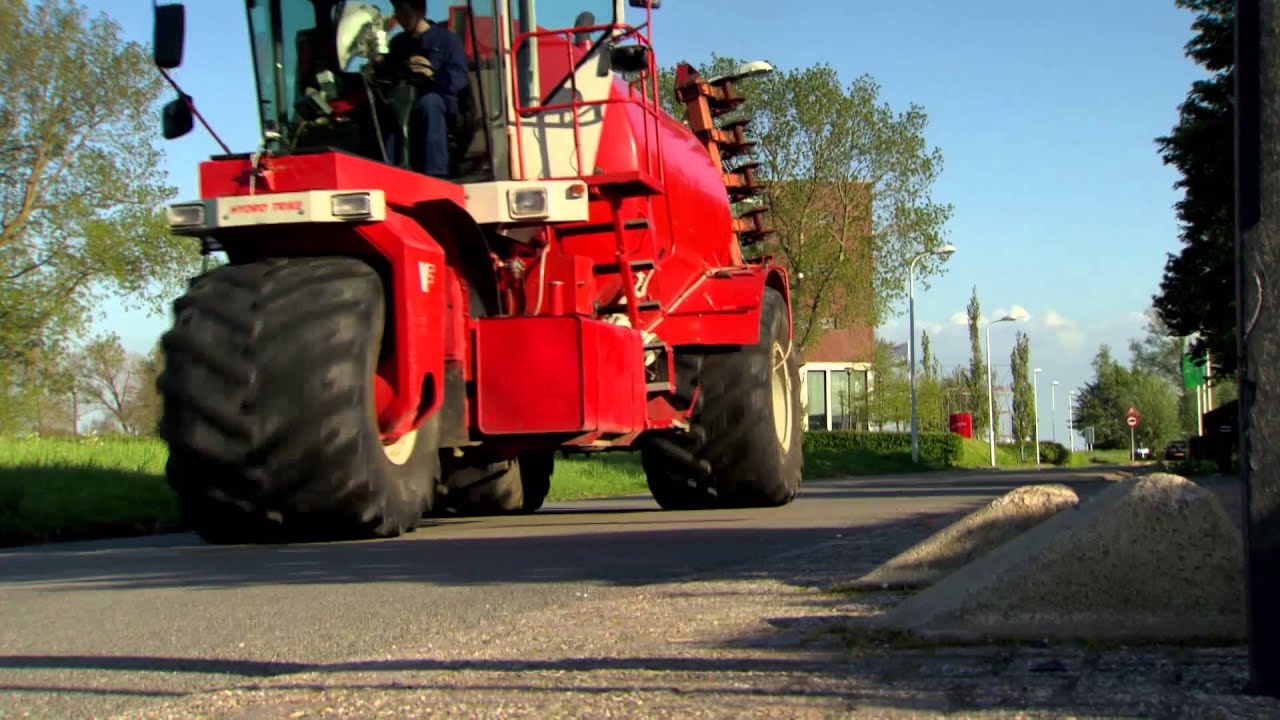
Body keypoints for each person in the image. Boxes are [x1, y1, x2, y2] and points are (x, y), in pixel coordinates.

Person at [376, 0, 469, 177]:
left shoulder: (447, 40)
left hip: (440, 100)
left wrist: (432, 74)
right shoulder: (398, 44)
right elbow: (386, 75)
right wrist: (378, 63)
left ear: (417, 11)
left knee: (429, 102)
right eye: (397, 12)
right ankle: (387, 169)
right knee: (386, 108)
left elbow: (459, 78)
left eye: (402, 12)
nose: (399, 18)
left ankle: (436, 172)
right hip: (403, 97)